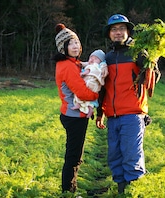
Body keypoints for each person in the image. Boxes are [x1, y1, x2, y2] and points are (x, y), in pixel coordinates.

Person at [96, 14, 154, 194]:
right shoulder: (108, 57)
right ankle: (122, 192)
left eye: (122, 29)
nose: (118, 32)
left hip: (132, 115)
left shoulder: (137, 53)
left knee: (131, 158)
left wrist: (150, 63)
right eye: (114, 29)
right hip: (113, 117)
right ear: (109, 34)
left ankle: (135, 192)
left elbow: (152, 78)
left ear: (128, 31)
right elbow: (103, 88)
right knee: (115, 157)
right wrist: (100, 113)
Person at [53, 23, 99, 193]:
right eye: (71, 43)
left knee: (74, 154)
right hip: (74, 117)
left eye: (77, 42)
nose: (75, 46)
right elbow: (83, 93)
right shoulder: (67, 66)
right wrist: (97, 96)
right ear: (63, 48)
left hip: (72, 115)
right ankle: (68, 191)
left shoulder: (73, 63)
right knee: (73, 157)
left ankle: (69, 190)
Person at [72, 49, 108, 118]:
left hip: (91, 84)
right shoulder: (96, 65)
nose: (92, 60)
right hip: (95, 89)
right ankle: (90, 110)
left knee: (80, 94)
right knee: (91, 102)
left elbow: (89, 70)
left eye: (95, 58)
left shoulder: (95, 66)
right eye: (91, 57)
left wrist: (82, 73)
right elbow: (85, 63)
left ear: (100, 61)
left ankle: (79, 104)